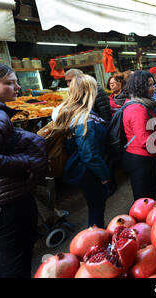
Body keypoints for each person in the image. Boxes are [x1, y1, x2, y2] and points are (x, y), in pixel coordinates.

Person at [0, 62, 48, 278]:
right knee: (15, 264)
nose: (17, 88)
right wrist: (27, 161)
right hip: (2, 205)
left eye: (16, 82)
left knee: (3, 261)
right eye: (9, 83)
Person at [53, 74, 111, 229]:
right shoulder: (84, 118)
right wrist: (104, 174)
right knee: (96, 208)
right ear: (88, 91)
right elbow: (89, 155)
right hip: (89, 171)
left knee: (94, 205)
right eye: (94, 88)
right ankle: (95, 243)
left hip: (82, 168)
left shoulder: (67, 111)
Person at [121, 70, 156, 200]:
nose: (153, 88)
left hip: (144, 157)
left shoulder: (140, 103)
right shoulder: (137, 108)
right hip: (141, 160)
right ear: (141, 87)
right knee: (144, 199)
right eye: (150, 85)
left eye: (153, 84)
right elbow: (145, 140)